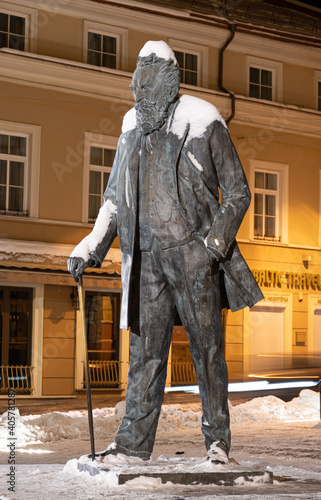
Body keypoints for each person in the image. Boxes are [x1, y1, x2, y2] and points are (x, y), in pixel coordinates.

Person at [68, 40, 263, 464]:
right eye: (136, 88)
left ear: (169, 85)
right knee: (145, 353)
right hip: (147, 260)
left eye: (146, 88)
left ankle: (217, 441)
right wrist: (91, 248)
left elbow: (238, 192)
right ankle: (133, 445)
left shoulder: (203, 121)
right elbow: (115, 201)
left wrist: (214, 244)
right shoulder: (130, 128)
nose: (138, 95)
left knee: (207, 350)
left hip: (194, 256)